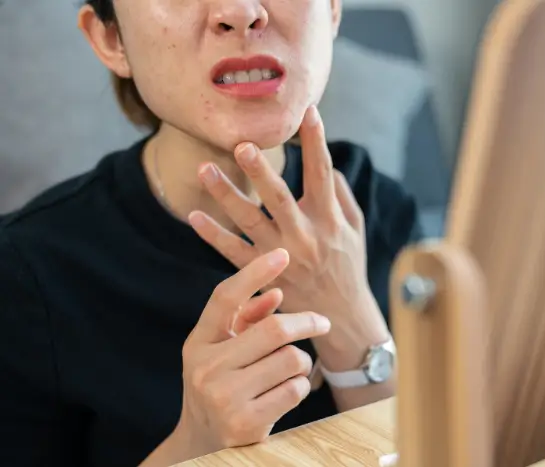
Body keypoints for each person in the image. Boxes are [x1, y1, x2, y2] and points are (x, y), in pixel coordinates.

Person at [0, 0, 423, 466]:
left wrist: (354, 329)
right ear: (111, 38)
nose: (240, 11)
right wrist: (197, 441)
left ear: (333, 12)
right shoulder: (26, 272)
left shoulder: (379, 205)